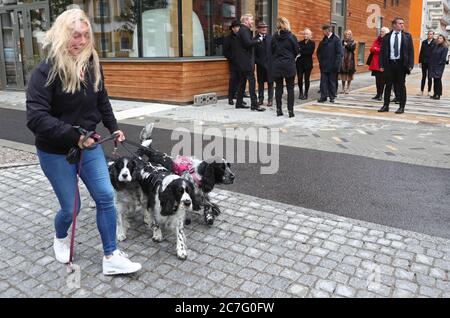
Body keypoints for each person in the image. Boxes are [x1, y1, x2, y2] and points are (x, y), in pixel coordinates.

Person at [25, 8, 142, 275]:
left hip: (89, 146)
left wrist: (114, 127)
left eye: (86, 35)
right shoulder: (45, 72)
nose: (81, 41)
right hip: (56, 152)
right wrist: (75, 136)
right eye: (75, 35)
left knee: (104, 196)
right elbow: (36, 118)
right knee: (71, 207)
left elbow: (101, 100)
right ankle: (60, 235)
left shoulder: (91, 65)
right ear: (62, 35)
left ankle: (111, 256)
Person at [378, 17, 414, 114]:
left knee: (401, 85)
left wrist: (410, 65)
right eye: (399, 23)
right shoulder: (387, 36)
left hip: (401, 64)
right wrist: (381, 64)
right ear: (394, 25)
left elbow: (411, 51)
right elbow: (382, 52)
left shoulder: (407, 36)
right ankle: (386, 105)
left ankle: (401, 107)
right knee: (388, 85)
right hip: (389, 64)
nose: (402, 25)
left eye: (403, 23)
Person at [235, 14, 265, 111]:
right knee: (252, 82)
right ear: (246, 20)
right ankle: (254, 105)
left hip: (242, 62)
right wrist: (258, 40)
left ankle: (239, 103)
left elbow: (245, 43)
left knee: (242, 82)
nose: (252, 22)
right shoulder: (244, 30)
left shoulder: (242, 30)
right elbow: (248, 43)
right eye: (251, 20)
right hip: (246, 62)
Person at [271, 17, 299, 118]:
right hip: (289, 65)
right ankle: (290, 111)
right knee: (290, 88)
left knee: (278, 88)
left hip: (277, 65)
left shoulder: (274, 37)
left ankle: (279, 110)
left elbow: (271, 51)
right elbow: (297, 50)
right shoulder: (292, 37)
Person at [317, 25, 343, 103]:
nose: (323, 32)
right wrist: (321, 61)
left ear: (328, 30)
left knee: (332, 82)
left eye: (324, 31)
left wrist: (336, 65)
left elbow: (339, 53)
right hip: (324, 65)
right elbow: (318, 52)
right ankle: (323, 97)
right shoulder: (323, 40)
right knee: (323, 82)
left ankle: (332, 97)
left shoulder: (336, 40)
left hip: (333, 65)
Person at [254, 21, 274, 107]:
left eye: (265, 27)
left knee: (270, 83)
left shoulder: (271, 38)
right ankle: (260, 99)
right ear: (258, 29)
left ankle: (270, 100)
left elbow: (274, 51)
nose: (264, 28)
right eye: (262, 27)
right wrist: (259, 62)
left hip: (270, 65)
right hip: (260, 65)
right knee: (261, 83)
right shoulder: (254, 39)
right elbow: (253, 54)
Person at [223, 20, 242, 105]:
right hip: (233, 63)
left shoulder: (242, 37)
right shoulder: (228, 38)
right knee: (233, 81)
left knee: (241, 81)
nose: (237, 29)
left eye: (238, 27)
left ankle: (239, 98)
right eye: (235, 27)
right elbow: (225, 52)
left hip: (242, 63)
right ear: (233, 29)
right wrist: (232, 58)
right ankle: (230, 98)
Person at [369, 27, 390, 101]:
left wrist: (376, 49)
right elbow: (371, 49)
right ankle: (378, 94)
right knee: (377, 80)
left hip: (383, 63)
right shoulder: (377, 39)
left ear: (387, 33)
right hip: (375, 64)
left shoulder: (388, 40)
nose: (381, 33)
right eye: (381, 31)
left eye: (383, 32)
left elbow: (384, 51)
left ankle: (381, 95)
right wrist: (377, 49)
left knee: (382, 80)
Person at [296, 28, 316, 100]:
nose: (305, 35)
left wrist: (301, 51)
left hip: (308, 64)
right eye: (304, 34)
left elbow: (309, 52)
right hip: (299, 64)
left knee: (306, 79)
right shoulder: (300, 43)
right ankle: (301, 92)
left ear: (310, 35)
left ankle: (306, 93)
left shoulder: (312, 43)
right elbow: (297, 51)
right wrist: (301, 50)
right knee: (300, 78)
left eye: (307, 34)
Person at [429, 34, 449, 100]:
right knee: (435, 79)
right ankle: (435, 94)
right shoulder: (436, 46)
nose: (439, 39)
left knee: (438, 79)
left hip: (439, 66)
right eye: (438, 38)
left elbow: (443, 58)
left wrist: (438, 64)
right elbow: (432, 54)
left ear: (443, 40)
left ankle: (438, 95)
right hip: (433, 65)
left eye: (441, 38)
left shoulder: (445, 47)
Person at [418, 30, 436, 96]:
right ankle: (421, 91)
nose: (429, 35)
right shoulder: (424, 42)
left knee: (430, 77)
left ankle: (429, 91)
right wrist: (420, 62)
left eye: (431, 34)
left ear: (433, 35)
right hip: (424, 62)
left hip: (431, 62)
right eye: (428, 34)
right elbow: (421, 52)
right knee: (423, 76)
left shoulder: (435, 42)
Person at [339, 30, 356, 94]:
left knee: (349, 76)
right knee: (343, 75)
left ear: (351, 35)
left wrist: (346, 45)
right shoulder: (342, 41)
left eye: (349, 34)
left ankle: (348, 88)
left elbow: (352, 49)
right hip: (343, 60)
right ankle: (343, 88)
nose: (347, 35)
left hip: (350, 61)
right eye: (346, 34)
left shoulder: (353, 42)